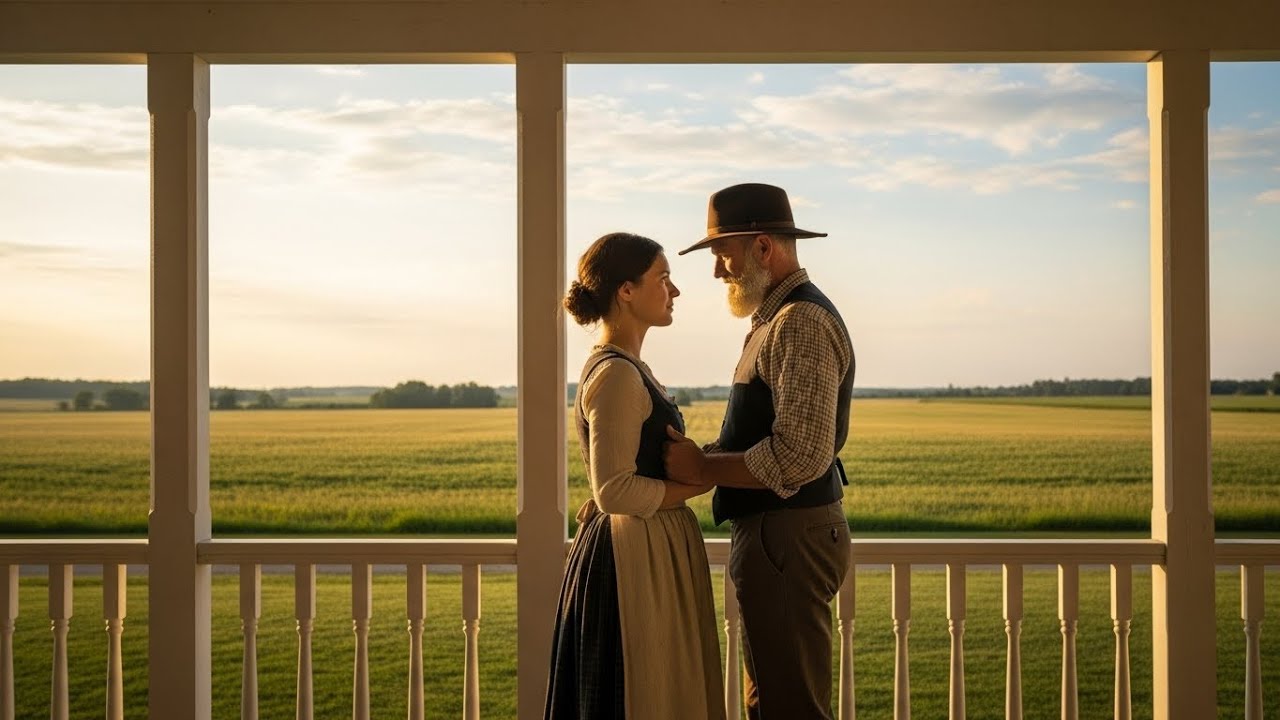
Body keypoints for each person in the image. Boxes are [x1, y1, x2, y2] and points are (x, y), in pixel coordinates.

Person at [664, 183, 854, 719]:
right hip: (781, 536)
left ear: (763, 248)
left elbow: (800, 456)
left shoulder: (800, 321)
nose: (716, 271)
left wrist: (703, 465)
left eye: (723, 253)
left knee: (788, 705)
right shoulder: (776, 319)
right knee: (773, 698)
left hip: (787, 535)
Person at [544, 232, 725, 720]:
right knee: (641, 690)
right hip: (631, 555)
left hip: (648, 545)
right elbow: (614, 490)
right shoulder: (617, 375)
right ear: (626, 290)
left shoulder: (625, 368)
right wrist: (699, 482)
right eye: (663, 278)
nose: (674, 290)